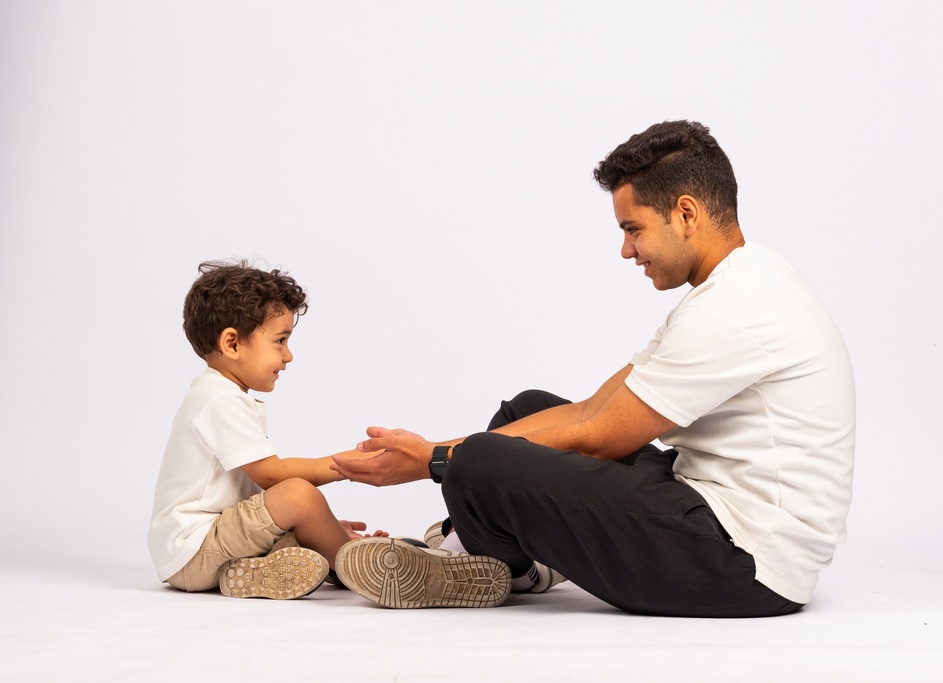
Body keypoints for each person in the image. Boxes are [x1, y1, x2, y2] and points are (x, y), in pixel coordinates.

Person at [331, 120, 856, 617]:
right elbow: (593, 410)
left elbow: (601, 436)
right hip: (709, 509)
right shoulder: (735, 285)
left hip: (745, 561)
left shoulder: (734, 308)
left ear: (686, 214)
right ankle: (485, 556)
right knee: (526, 410)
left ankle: (470, 558)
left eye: (634, 229)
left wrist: (433, 460)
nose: (626, 250)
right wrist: (439, 454)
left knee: (480, 461)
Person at [148, 260, 386, 599]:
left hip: (205, 547)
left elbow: (254, 496)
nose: (288, 356)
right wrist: (347, 464)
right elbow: (272, 476)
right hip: (192, 548)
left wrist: (319, 530)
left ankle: (257, 571)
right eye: (280, 341)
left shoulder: (222, 394)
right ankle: (363, 568)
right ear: (232, 344)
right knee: (298, 495)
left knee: (303, 524)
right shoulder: (219, 398)